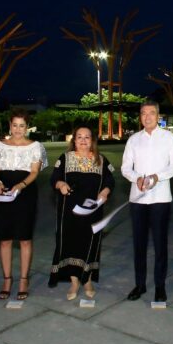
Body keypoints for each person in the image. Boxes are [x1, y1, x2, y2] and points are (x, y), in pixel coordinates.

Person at [121, 100, 173, 303]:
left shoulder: (169, 137)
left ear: (158, 116)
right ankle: (140, 285)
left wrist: (157, 177)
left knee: (159, 244)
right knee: (139, 244)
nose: (147, 117)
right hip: (137, 199)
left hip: (160, 198)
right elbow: (125, 168)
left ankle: (160, 286)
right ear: (140, 116)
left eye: (152, 113)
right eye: (143, 113)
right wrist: (136, 178)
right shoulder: (133, 140)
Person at [0, 110, 47, 300]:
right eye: (15, 125)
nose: (18, 129)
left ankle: (23, 280)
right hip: (4, 194)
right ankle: (7, 279)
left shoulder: (35, 147)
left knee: (25, 238)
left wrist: (21, 185)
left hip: (25, 193)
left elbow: (34, 172)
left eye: (22, 125)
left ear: (27, 127)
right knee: (5, 238)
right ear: (9, 125)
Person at [49, 126, 115, 300]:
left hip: (93, 211)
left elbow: (110, 180)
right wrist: (61, 185)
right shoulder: (65, 158)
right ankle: (74, 282)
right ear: (74, 140)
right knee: (71, 243)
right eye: (79, 137)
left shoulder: (101, 160)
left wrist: (105, 192)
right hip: (69, 212)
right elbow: (54, 178)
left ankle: (87, 280)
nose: (83, 140)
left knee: (90, 243)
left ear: (92, 140)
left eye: (87, 137)